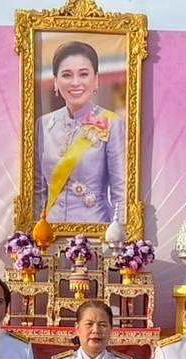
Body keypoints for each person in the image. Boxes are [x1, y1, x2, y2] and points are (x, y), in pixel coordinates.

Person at [34, 40, 125, 224]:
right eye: (66, 75)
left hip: (96, 231)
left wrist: (120, 235)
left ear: (96, 79)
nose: (75, 82)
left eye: (83, 74)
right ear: (55, 81)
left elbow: (121, 192)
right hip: (50, 232)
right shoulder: (42, 125)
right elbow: (37, 191)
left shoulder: (112, 123)